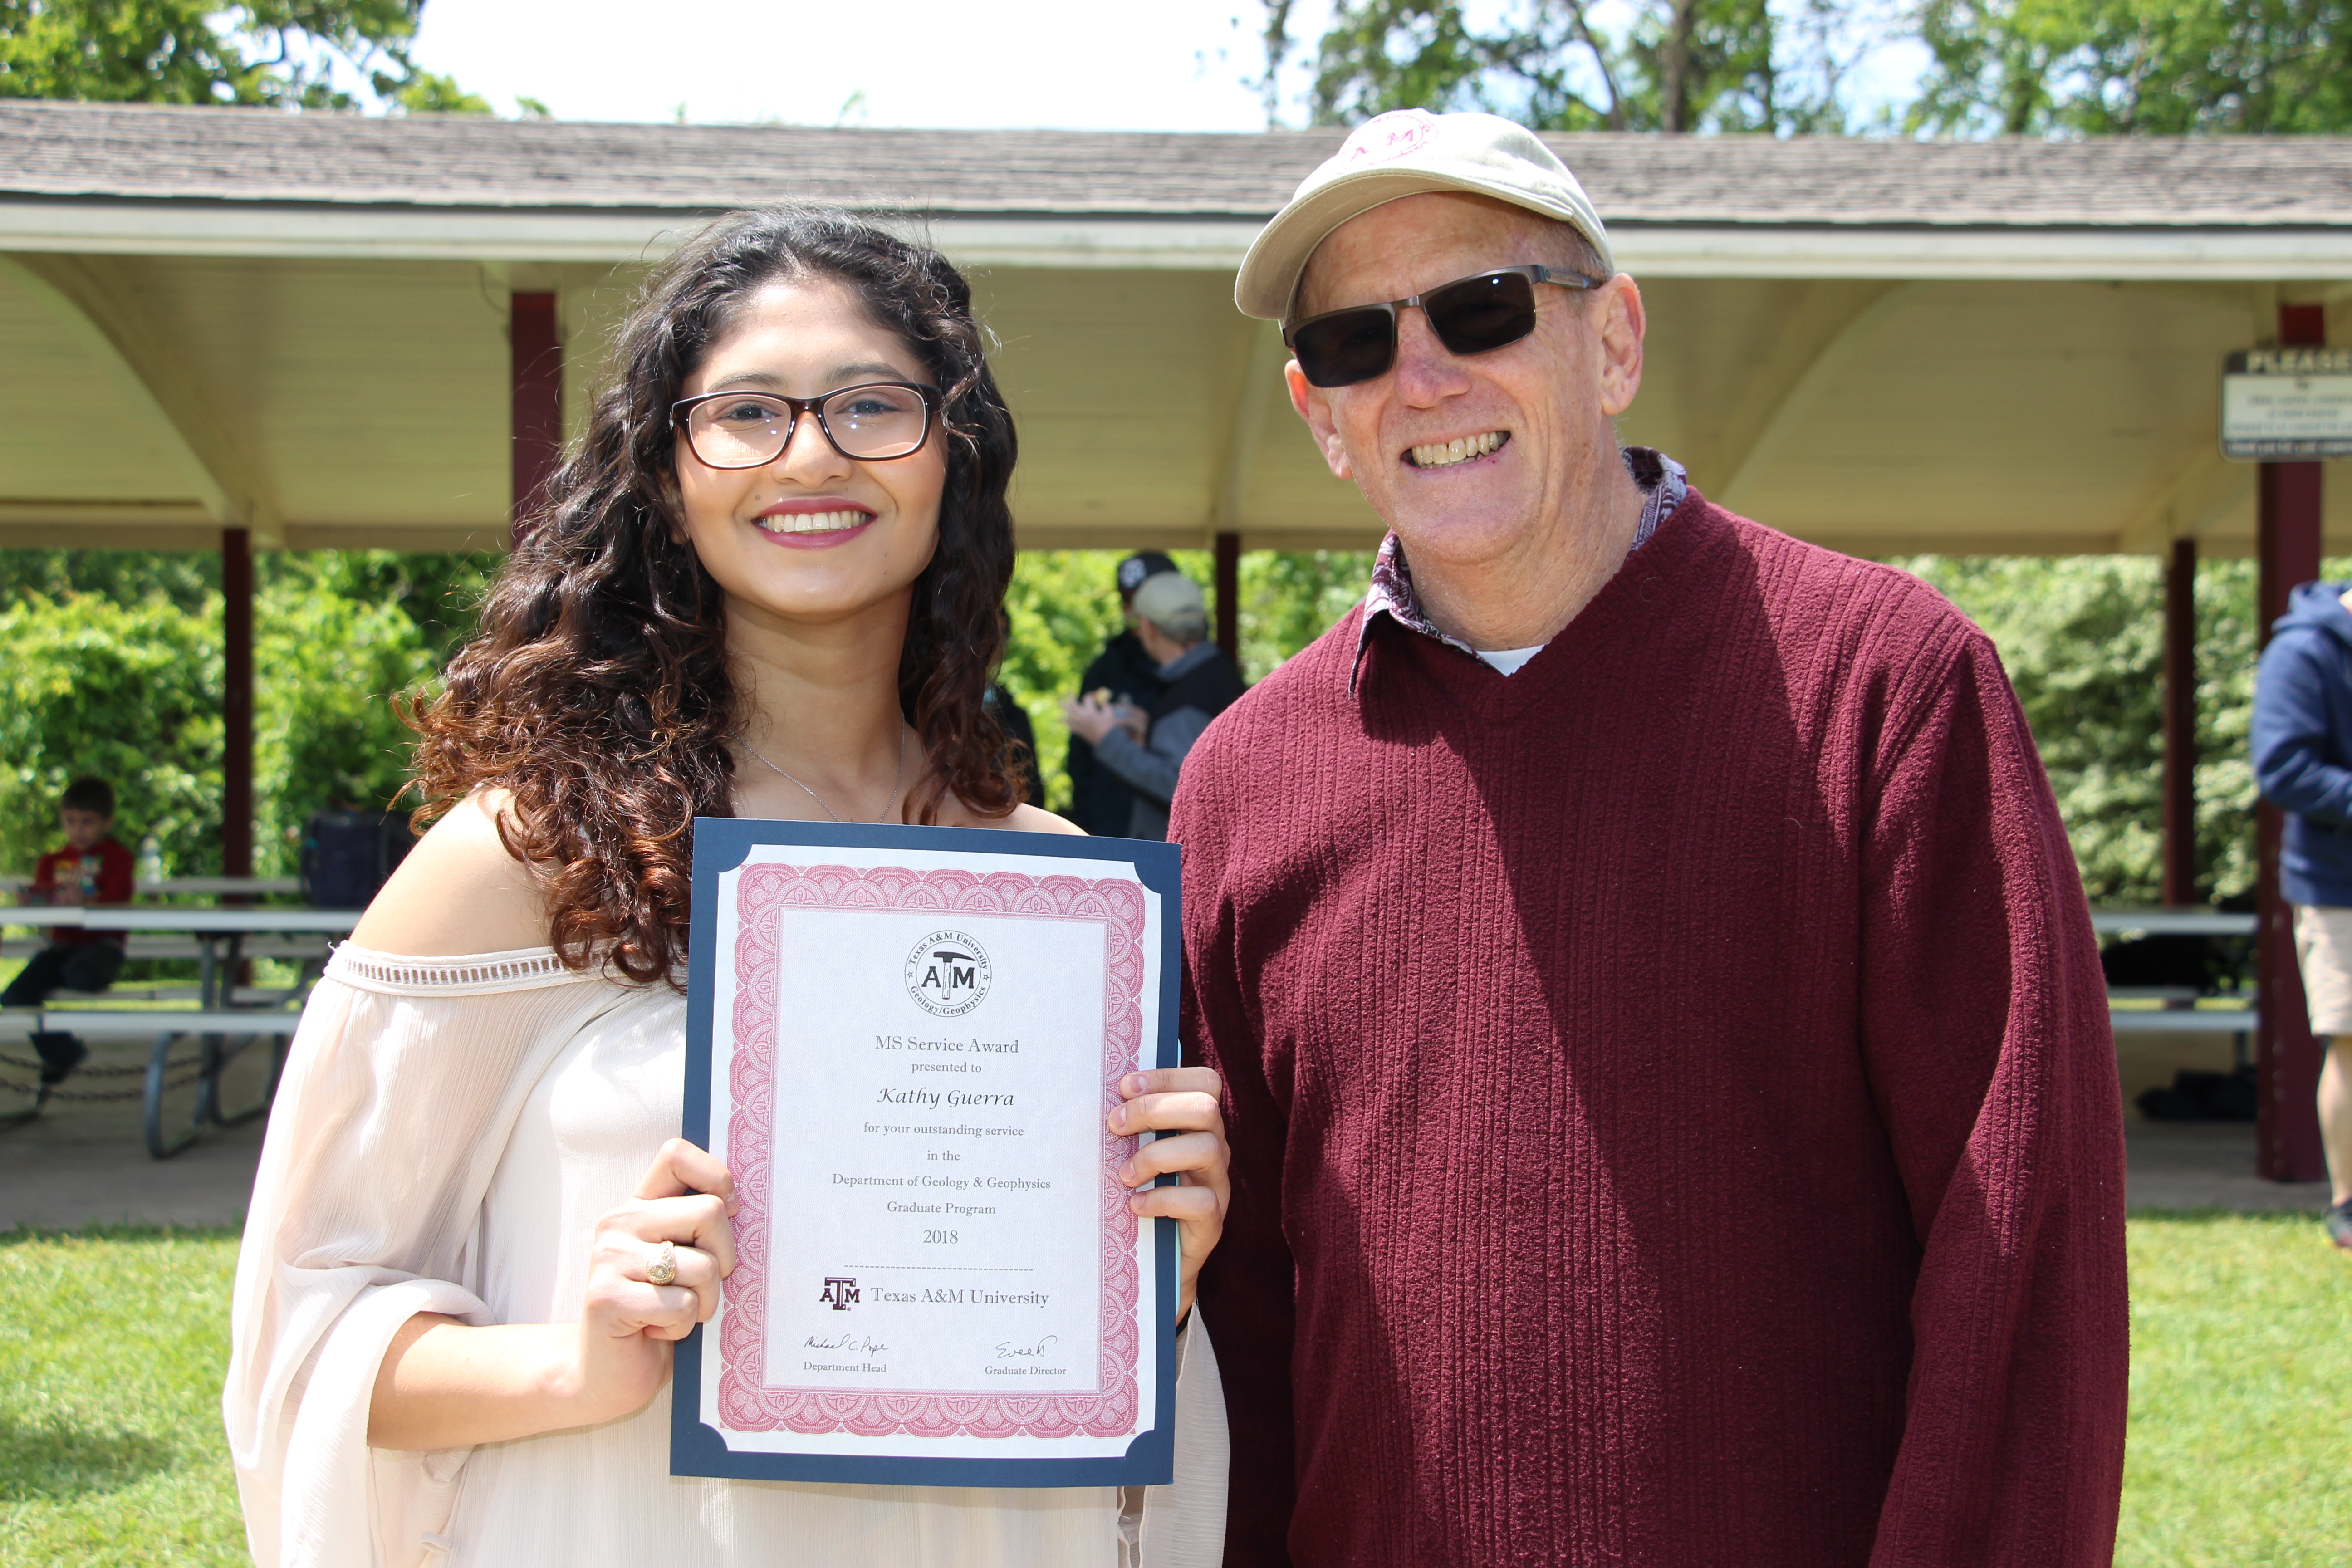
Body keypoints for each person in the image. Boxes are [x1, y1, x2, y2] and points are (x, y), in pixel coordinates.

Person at [1174, 110, 2127, 1566]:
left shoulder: (1888, 689)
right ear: (1319, 413)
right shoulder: (1246, 780)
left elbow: (2026, 1266)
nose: (1423, 377)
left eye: (1484, 309)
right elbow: (1237, 1315)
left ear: (1615, 342)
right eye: (1360, 343)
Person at [224, 207, 1232, 1568]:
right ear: (667, 472)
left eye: (872, 404)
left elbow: (1115, 1403)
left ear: (954, 455)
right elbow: (305, 1327)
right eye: (747, 411)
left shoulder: (1058, 896)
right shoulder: (525, 859)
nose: (810, 452)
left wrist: (1158, 1268)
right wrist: (571, 1363)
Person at [2252, 580, 2352, 1249]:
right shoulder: (2305, 648)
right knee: (2351, 1038)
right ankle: (2348, 1205)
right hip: (2339, 883)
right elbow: (2281, 765)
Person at [1061, 573, 1244, 841]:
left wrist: (1106, 739)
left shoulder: (1191, 694)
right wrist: (1149, 733)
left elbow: (1178, 785)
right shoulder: (1217, 675)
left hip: (1181, 863)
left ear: (1147, 627)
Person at [2, 775, 133, 1087]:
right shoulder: (52, 861)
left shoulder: (118, 859)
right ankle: (62, 1053)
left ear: (106, 822)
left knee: (83, 975)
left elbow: (118, 901)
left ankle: (61, 1051)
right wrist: (32, 902)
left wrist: (88, 901)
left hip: (102, 946)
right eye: (71, 821)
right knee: (15, 996)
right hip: (61, 947)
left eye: (87, 822)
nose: (78, 829)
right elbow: (44, 905)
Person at [1065, 551, 1180, 835]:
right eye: (1127, 601)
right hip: (1111, 827)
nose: (1133, 610)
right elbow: (1080, 760)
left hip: (1171, 832)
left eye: (1143, 599)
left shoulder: (1196, 668)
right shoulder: (1106, 668)